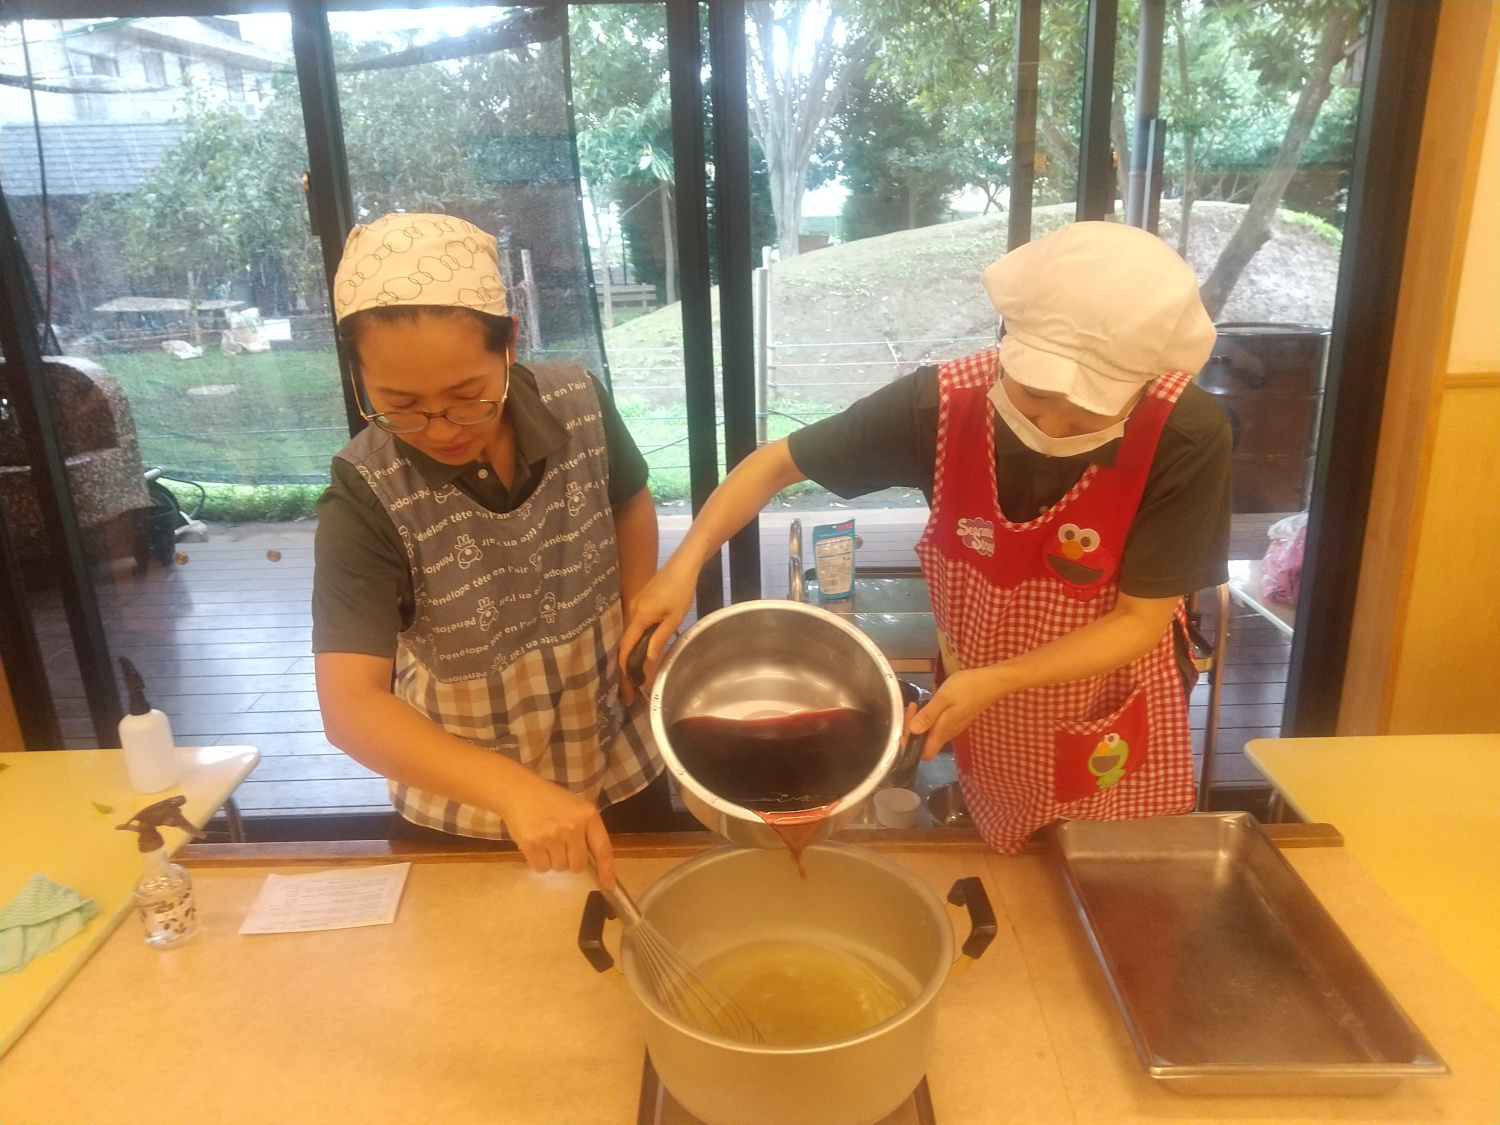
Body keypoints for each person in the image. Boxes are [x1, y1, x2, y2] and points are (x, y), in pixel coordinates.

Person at [623, 222, 1230, 853]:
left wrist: (995, 680)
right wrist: (683, 565)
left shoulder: (1183, 435)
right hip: (987, 708)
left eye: (1086, 412)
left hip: (1106, 705)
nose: (1047, 424)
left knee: (1114, 870)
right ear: (1006, 343)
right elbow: (774, 464)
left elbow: (1138, 621)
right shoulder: (942, 406)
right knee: (1017, 867)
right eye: (1034, 394)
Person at [312, 213, 663, 886]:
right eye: (400, 404)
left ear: (509, 346)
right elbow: (351, 706)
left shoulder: (578, 400)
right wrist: (511, 790)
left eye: (467, 396)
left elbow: (630, 499)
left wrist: (637, 613)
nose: (439, 429)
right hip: (466, 809)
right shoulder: (364, 493)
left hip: (615, 761)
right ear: (359, 376)